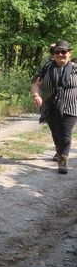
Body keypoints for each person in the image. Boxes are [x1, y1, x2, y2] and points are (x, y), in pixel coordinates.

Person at [31, 40, 77, 174]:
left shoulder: (75, 68)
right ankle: (59, 149)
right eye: (57, 52)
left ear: (69, 53)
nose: (61, 54)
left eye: (64, 52)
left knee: (65, 133)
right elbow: (36, 84)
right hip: (50, 106)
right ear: (54, 54)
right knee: (55, 130)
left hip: (71, 105)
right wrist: (36, 95)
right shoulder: (46, 68)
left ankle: (63, 160)